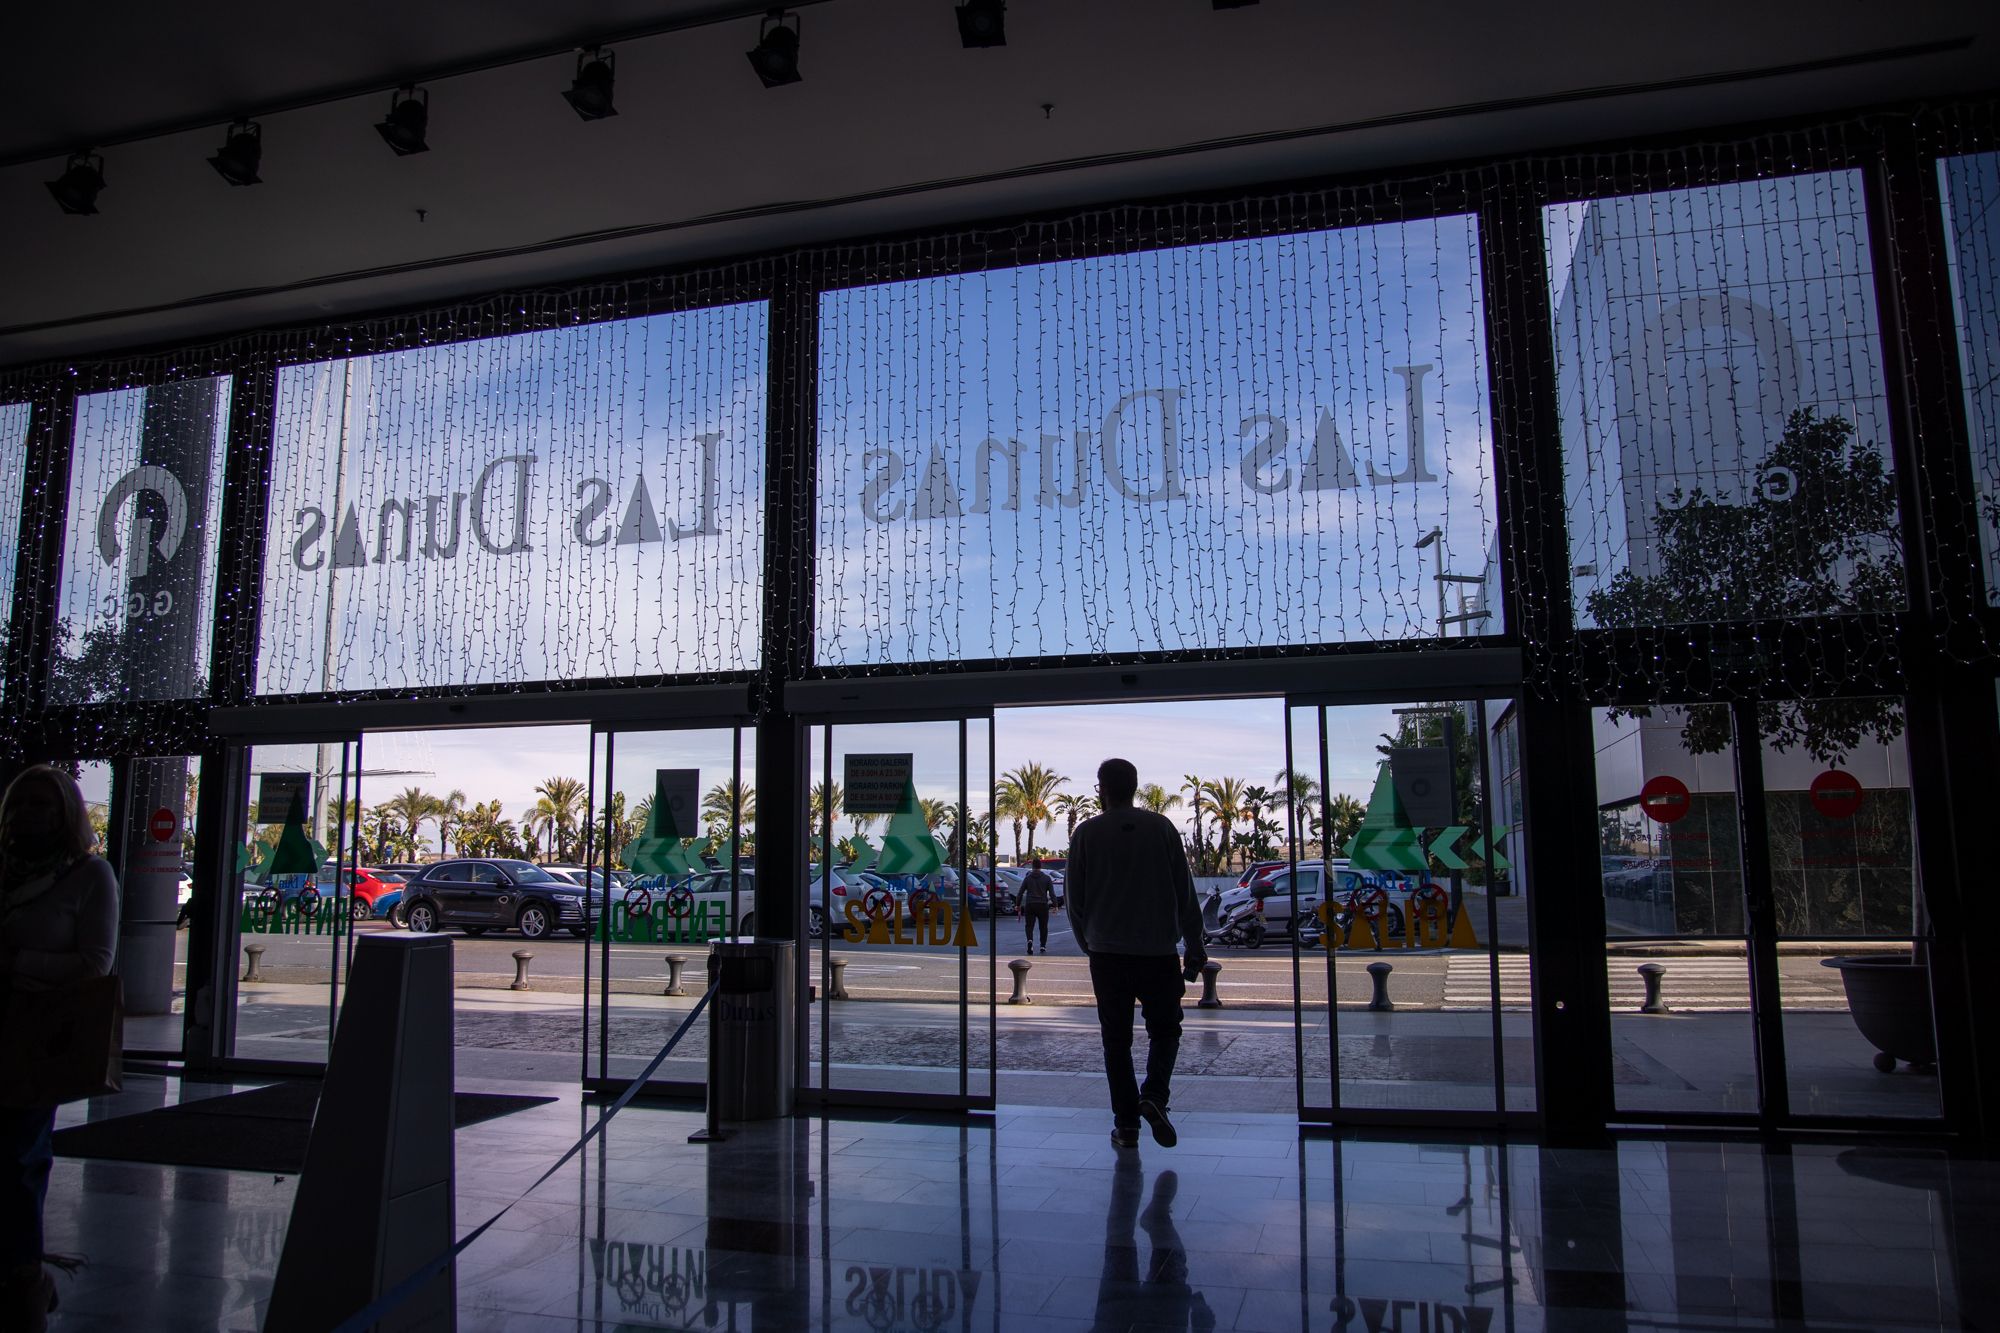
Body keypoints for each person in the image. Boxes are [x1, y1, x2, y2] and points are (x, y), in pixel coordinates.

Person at [0, 766, 119, 1332]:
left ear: (66, 815)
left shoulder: (90, 876)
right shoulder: (5, 871)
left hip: (33, 1037)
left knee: (20, 1157)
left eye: (42, 807)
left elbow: (97, 964)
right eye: (20, 805)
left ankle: (24, 1277)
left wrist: (17, 965)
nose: (29, 817)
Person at [1067, 757, 1205, 1150]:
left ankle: (1126, 1125)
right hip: (1158, 950)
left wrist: (1088, 943)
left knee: (1116, 1040)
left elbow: (1075, 899)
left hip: (1107, 953)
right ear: (1135, 786)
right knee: (1166, 1030)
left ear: (1102, 788)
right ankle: (1155, 1095)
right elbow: (1184, 891)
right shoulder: (1161, 827)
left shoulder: (1087, 833)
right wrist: (1194, 941)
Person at [1018, 857, 1054, 955]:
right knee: (1043, 927)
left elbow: (1020, 892)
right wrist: (1055, 905)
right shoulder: (1047, 878)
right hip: (1042, 905)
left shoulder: (1028, 878)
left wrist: (1017, 905)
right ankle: (1042, 946)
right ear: (1040, 866)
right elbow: (1051, 893)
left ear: (1032, 866)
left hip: (1030, 904)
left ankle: (1030, 940)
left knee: (1029, 926)